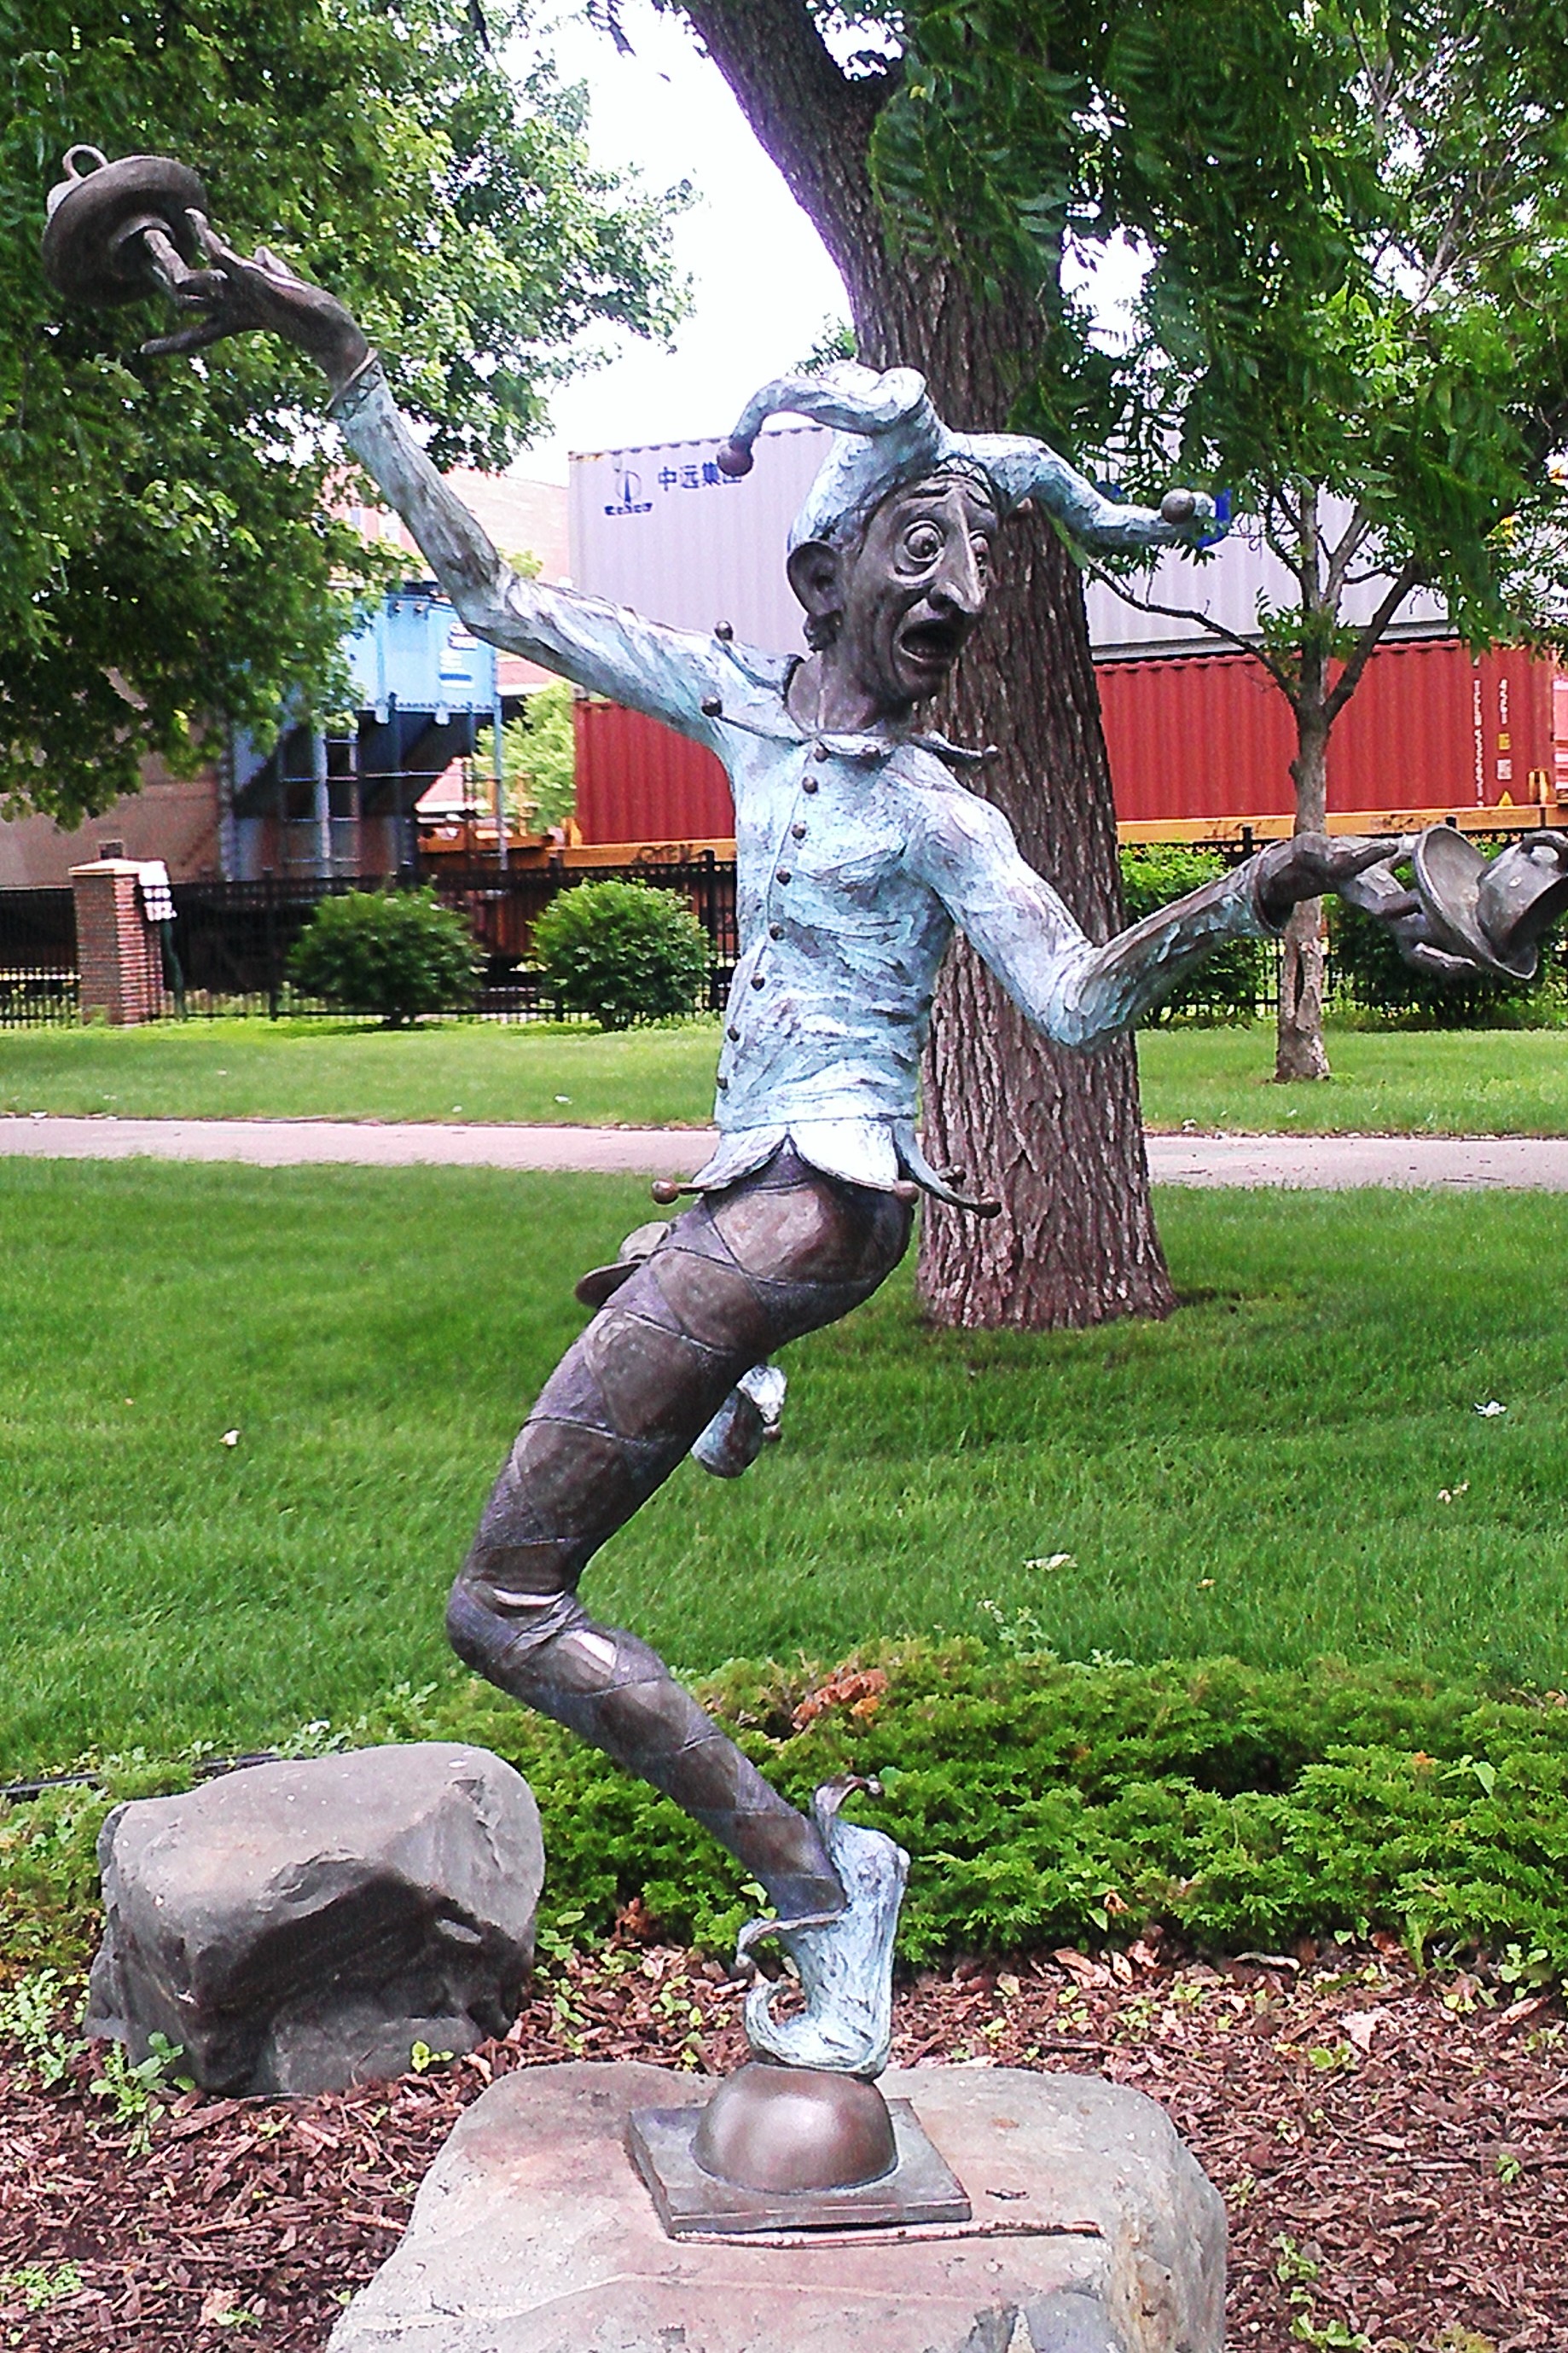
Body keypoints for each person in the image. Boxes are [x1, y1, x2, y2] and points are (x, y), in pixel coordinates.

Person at [148, 222, 1443, 2074]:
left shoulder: (934, 810)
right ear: (825, 572)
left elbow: (1074, 1002)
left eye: (977, 561)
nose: (960, 591)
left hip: (819, 1205)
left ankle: (824, 1882)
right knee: (533, 1547)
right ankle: (772, 1624)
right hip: (753, 1197)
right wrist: (345, 357)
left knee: (503, 1602)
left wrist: (1254, 888)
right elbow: (490, 596)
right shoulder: (737, 704)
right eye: (923, 549)